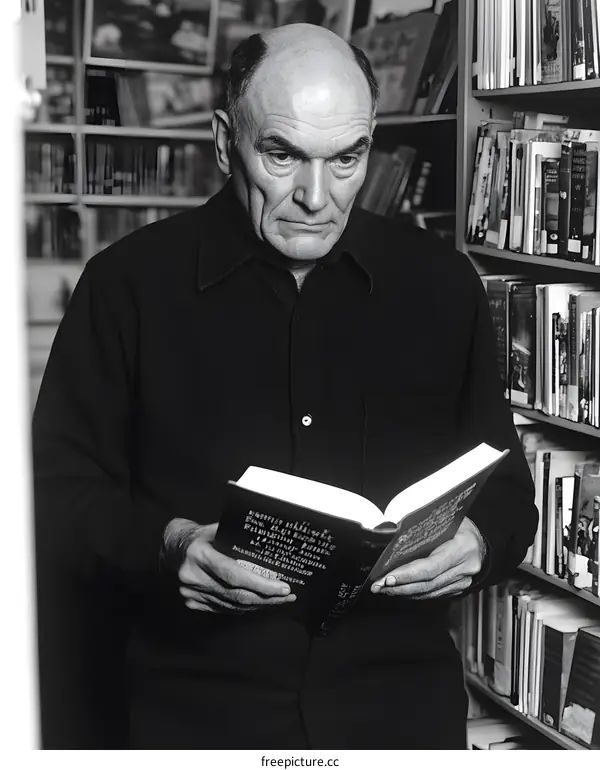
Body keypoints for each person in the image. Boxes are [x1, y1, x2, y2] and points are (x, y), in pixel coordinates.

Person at [32, 23, 538, 750]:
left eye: (347, 159)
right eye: (281, 154)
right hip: (193, 717)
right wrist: (168, 544)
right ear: (222, 141)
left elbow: (509, 491)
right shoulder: (126, 286)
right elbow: (54, 493)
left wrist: (480, 542)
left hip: (396, 714)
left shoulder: (441, 285)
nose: (315, 196)